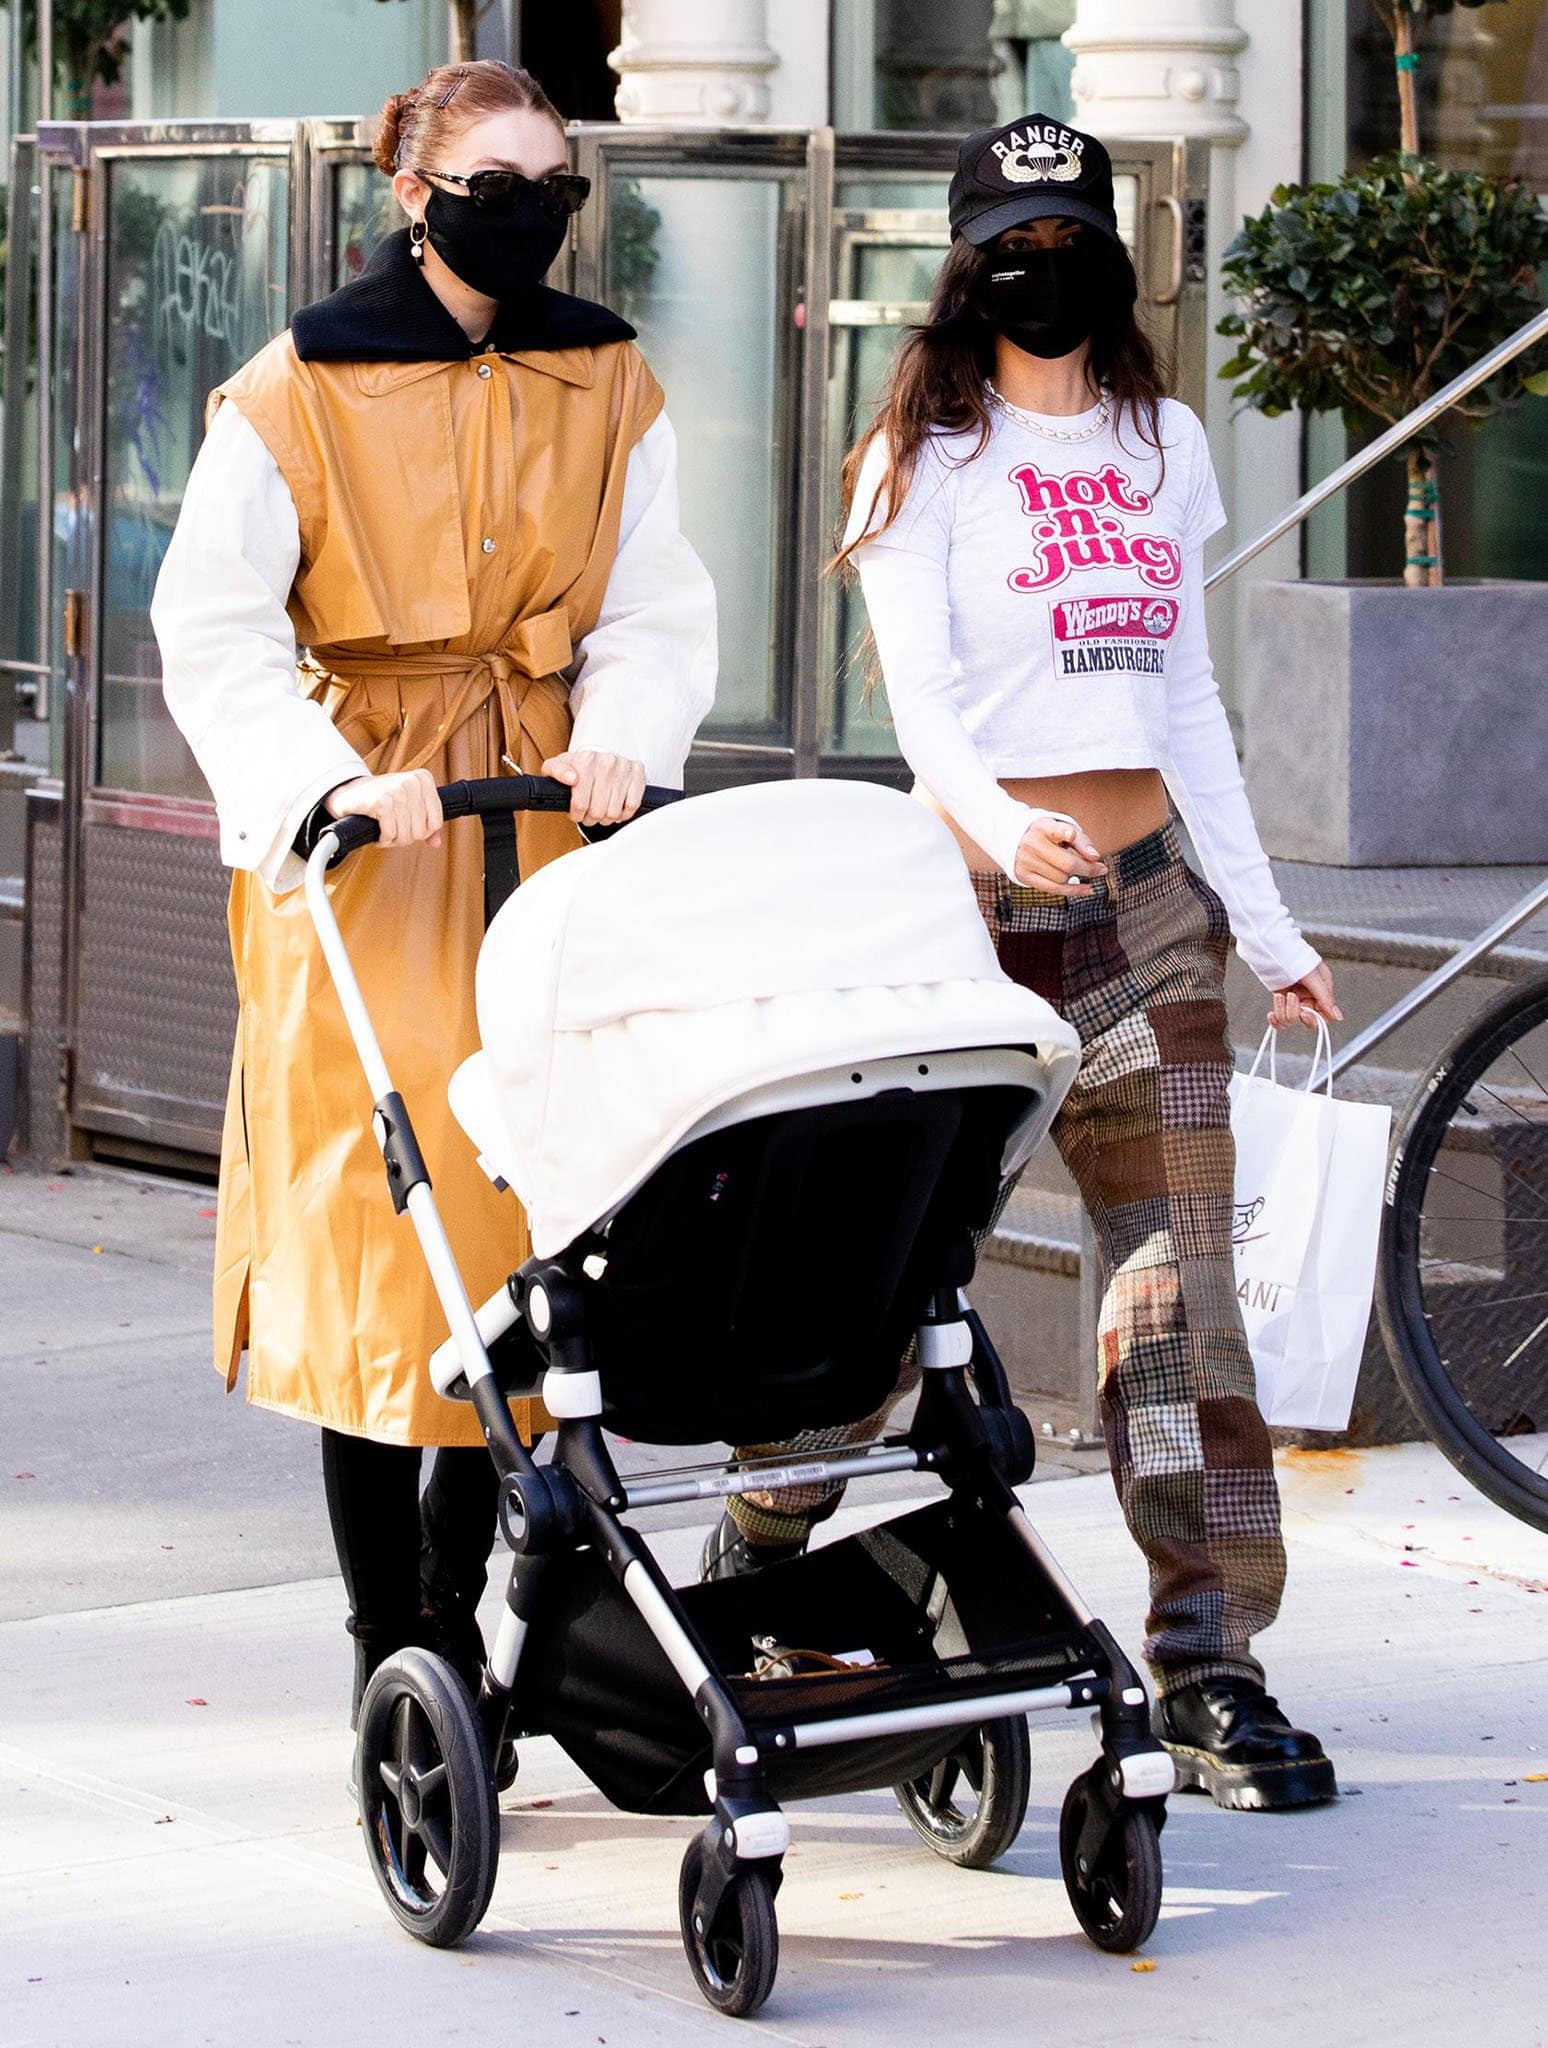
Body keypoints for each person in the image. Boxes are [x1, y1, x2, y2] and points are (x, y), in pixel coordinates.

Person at [701, 116, 1338, 1813]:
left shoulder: (1163, 441)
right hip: (962, 931)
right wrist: (997, 823)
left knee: (1178, 1303)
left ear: (1109, 254)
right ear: (971, 265)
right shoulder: (921, 454)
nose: (1045, 269)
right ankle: (763, 1546)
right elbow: (918, 710)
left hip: (1145, 924)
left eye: (1073, 239)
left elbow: (1186, 698)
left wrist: (1265, 930)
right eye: (1017, 244)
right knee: (883, 1286)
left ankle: (1210, 1664)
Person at [152, 59, 715, 1728]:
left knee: (529, 1220)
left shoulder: (607, 376)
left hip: (543, 815)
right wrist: (325, 784)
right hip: (376, 837)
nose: (533, 202)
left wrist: (620, 736)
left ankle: (470, 1619)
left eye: (557, 176)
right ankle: (383, 1639)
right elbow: (219, 629)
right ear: (417, 190)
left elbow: (653, 599)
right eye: (498, 175)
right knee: (383, 1228)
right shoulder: (296, 390)